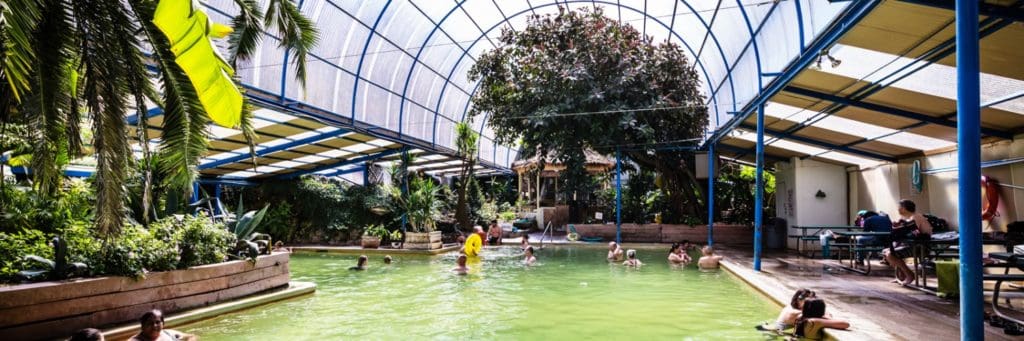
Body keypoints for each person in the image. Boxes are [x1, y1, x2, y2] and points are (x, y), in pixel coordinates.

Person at [882, 199, 932, 286]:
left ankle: (909, 275)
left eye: (899, 207)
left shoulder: (916, 217)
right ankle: (902, 276)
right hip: (912, 245)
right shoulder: (905, 218)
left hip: (921, 246)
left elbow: (911, 232)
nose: (897, 209)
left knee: (891, 254)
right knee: (886, 251)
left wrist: (899, 228)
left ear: (904, 208)